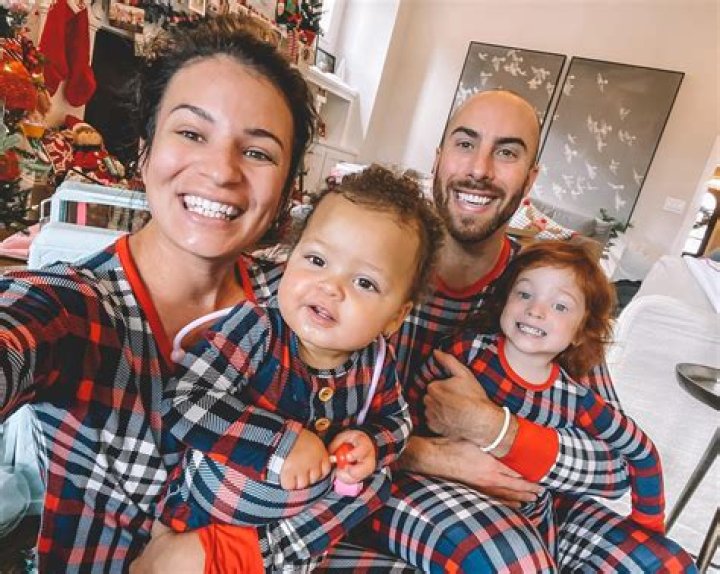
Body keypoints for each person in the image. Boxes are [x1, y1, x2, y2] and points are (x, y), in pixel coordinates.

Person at [0, 15, 390, 572]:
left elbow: (363, 460)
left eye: (258, 152)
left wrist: (227, 555)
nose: (221, 170)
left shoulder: (306, 305)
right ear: (144, 150)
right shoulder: (74, 306)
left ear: (287, 188)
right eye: (191, 133)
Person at [318, 90, 695, 573]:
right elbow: (308, 404)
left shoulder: (547, 291)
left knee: (665, 566)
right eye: (465, 144)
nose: (480, 169)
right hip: (393, 481)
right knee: (512, 561)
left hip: (537, 500)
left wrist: (498, 432)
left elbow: (616, 464)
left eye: (507, 153)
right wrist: (425, 454)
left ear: (530, 179)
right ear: (439, 158)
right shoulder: (376, 272)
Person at [158, 165, 444, 571]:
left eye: (364, 283)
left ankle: (263, 554)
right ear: (288, 259)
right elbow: (183, 402)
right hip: (208, 511)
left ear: (396, 316)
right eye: (316, 259)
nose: (331, 287)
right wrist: (280, 442)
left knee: (375, 481)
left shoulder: (377, 361)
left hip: (293, 524)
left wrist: (370, 444)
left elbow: (397, 422)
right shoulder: (256, 327)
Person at [415, 240, 666, 538]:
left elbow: (641, 453)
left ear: (580, 332)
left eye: (560, 306)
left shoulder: (576, 398)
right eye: (524, 294)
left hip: (529, 522)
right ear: (504, 301)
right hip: (439, 495)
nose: (535, 310)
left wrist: (648, 524)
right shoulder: (466, 352)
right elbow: (409, 405)